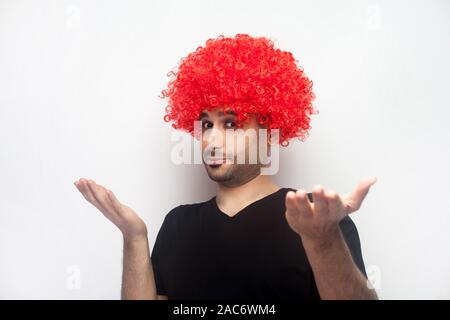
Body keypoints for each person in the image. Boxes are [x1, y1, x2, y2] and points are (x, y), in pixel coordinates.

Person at [74, 34, 378, 300]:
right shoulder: (178, 225)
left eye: (231, 123)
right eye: (206, 124)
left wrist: (322, 242)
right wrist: (134, 237)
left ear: (268, 132)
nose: (212, 139)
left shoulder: (314, 217)